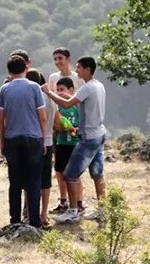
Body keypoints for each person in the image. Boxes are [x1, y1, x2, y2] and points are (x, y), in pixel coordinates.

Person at [43, 56, 106, 224]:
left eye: (78, 68)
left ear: (87, 69)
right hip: (99, 133)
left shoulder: (87, 88)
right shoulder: (99, 85)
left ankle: (72, 210)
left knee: (70, 175)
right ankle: (103, 209)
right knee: (97, 174)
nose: (76, 71)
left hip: (88, 137)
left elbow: (67, 104)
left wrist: (48, 92)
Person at [0, 55, 49, 228]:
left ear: (9, 72)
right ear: (26, 68)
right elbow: (42, 117)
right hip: (33, 138)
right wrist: (43, 139)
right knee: (34, 181)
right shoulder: (34, 87)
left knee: (15, 181)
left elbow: (0, 119)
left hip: (12, 138)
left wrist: (2, 140)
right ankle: (34, 221)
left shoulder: (4, 89)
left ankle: (15, 220)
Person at [26, 68, 54, 226]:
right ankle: (44, 214)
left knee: (31, 179)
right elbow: (56, 121)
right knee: (45, 180)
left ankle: (31, 214)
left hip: (36, 141)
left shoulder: (33, 96)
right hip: (49, 141)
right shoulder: (50, 97)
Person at [47, 48, 74, 212]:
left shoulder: (77, 78)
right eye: (55, 59)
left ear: (68, 59)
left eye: (60, 58)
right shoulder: (53, 78)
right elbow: (51, 99)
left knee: (74, 167)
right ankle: (63, 199)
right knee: (59, 166)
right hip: (57, 125)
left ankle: (76, 201)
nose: (58, 62)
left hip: (73, 124)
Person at [52, 76, 80, 213]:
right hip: (61, 143)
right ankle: (63, 200)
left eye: (62, 89)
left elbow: (81, 126)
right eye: (57, 90)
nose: (59, 92)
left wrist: (73, 128)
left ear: (71, 90)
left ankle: (79, 202)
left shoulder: (77, 107)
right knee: (60, 172)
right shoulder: (57, 108)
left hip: (74, 144)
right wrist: (60, 126)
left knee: (75, 174)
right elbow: (55, 127)